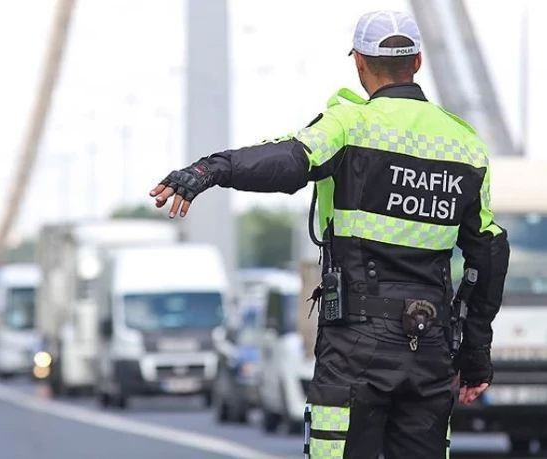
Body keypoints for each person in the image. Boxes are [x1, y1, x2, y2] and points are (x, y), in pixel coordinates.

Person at [150, 10, 509, 458]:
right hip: (430, 348)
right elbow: (489, 254)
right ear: (417, 62)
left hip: (356, 348)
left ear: (359, 62)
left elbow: (286, 161)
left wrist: (209, 170)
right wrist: (475, 355)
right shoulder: (465, 145)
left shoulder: (349, 124)